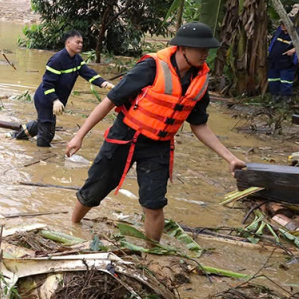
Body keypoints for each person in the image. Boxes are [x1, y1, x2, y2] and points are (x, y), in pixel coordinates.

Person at [66, 22, 246, 242]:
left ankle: (153, 254)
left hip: (158, 145)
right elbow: (109, 102)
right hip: (124, 137)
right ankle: (71, 229)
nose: (205, 54)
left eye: (207, 50)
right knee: (94, 189)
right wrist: (79, 135)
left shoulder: (200, 81)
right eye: (200, 49)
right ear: (182, 48)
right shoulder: (151, 67)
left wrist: (230, 157)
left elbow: (199, 125)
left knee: (154, 204)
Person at [15, 30, 113, 147]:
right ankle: (41, 156)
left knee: (44, 124)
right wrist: (55, 100)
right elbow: (47, 83)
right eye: (77, 42)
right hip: (46, 99)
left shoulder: (76, 59)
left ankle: (17, 135)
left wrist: (104, 83)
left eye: (81, 42)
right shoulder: (57, 60)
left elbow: (88, 73)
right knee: (47, 133)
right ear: (68, 43)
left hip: (56, 100)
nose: (80, 45)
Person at [267, 20, 297, 100]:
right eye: (282, 24)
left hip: (286, 63)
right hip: (274, 62)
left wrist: (294, 50)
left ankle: (286, 99)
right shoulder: (278, 32)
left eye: (285, 24)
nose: (282, 26)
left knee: (286, 81)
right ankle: (275, 97)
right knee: (273, 80)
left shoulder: (295, 34)